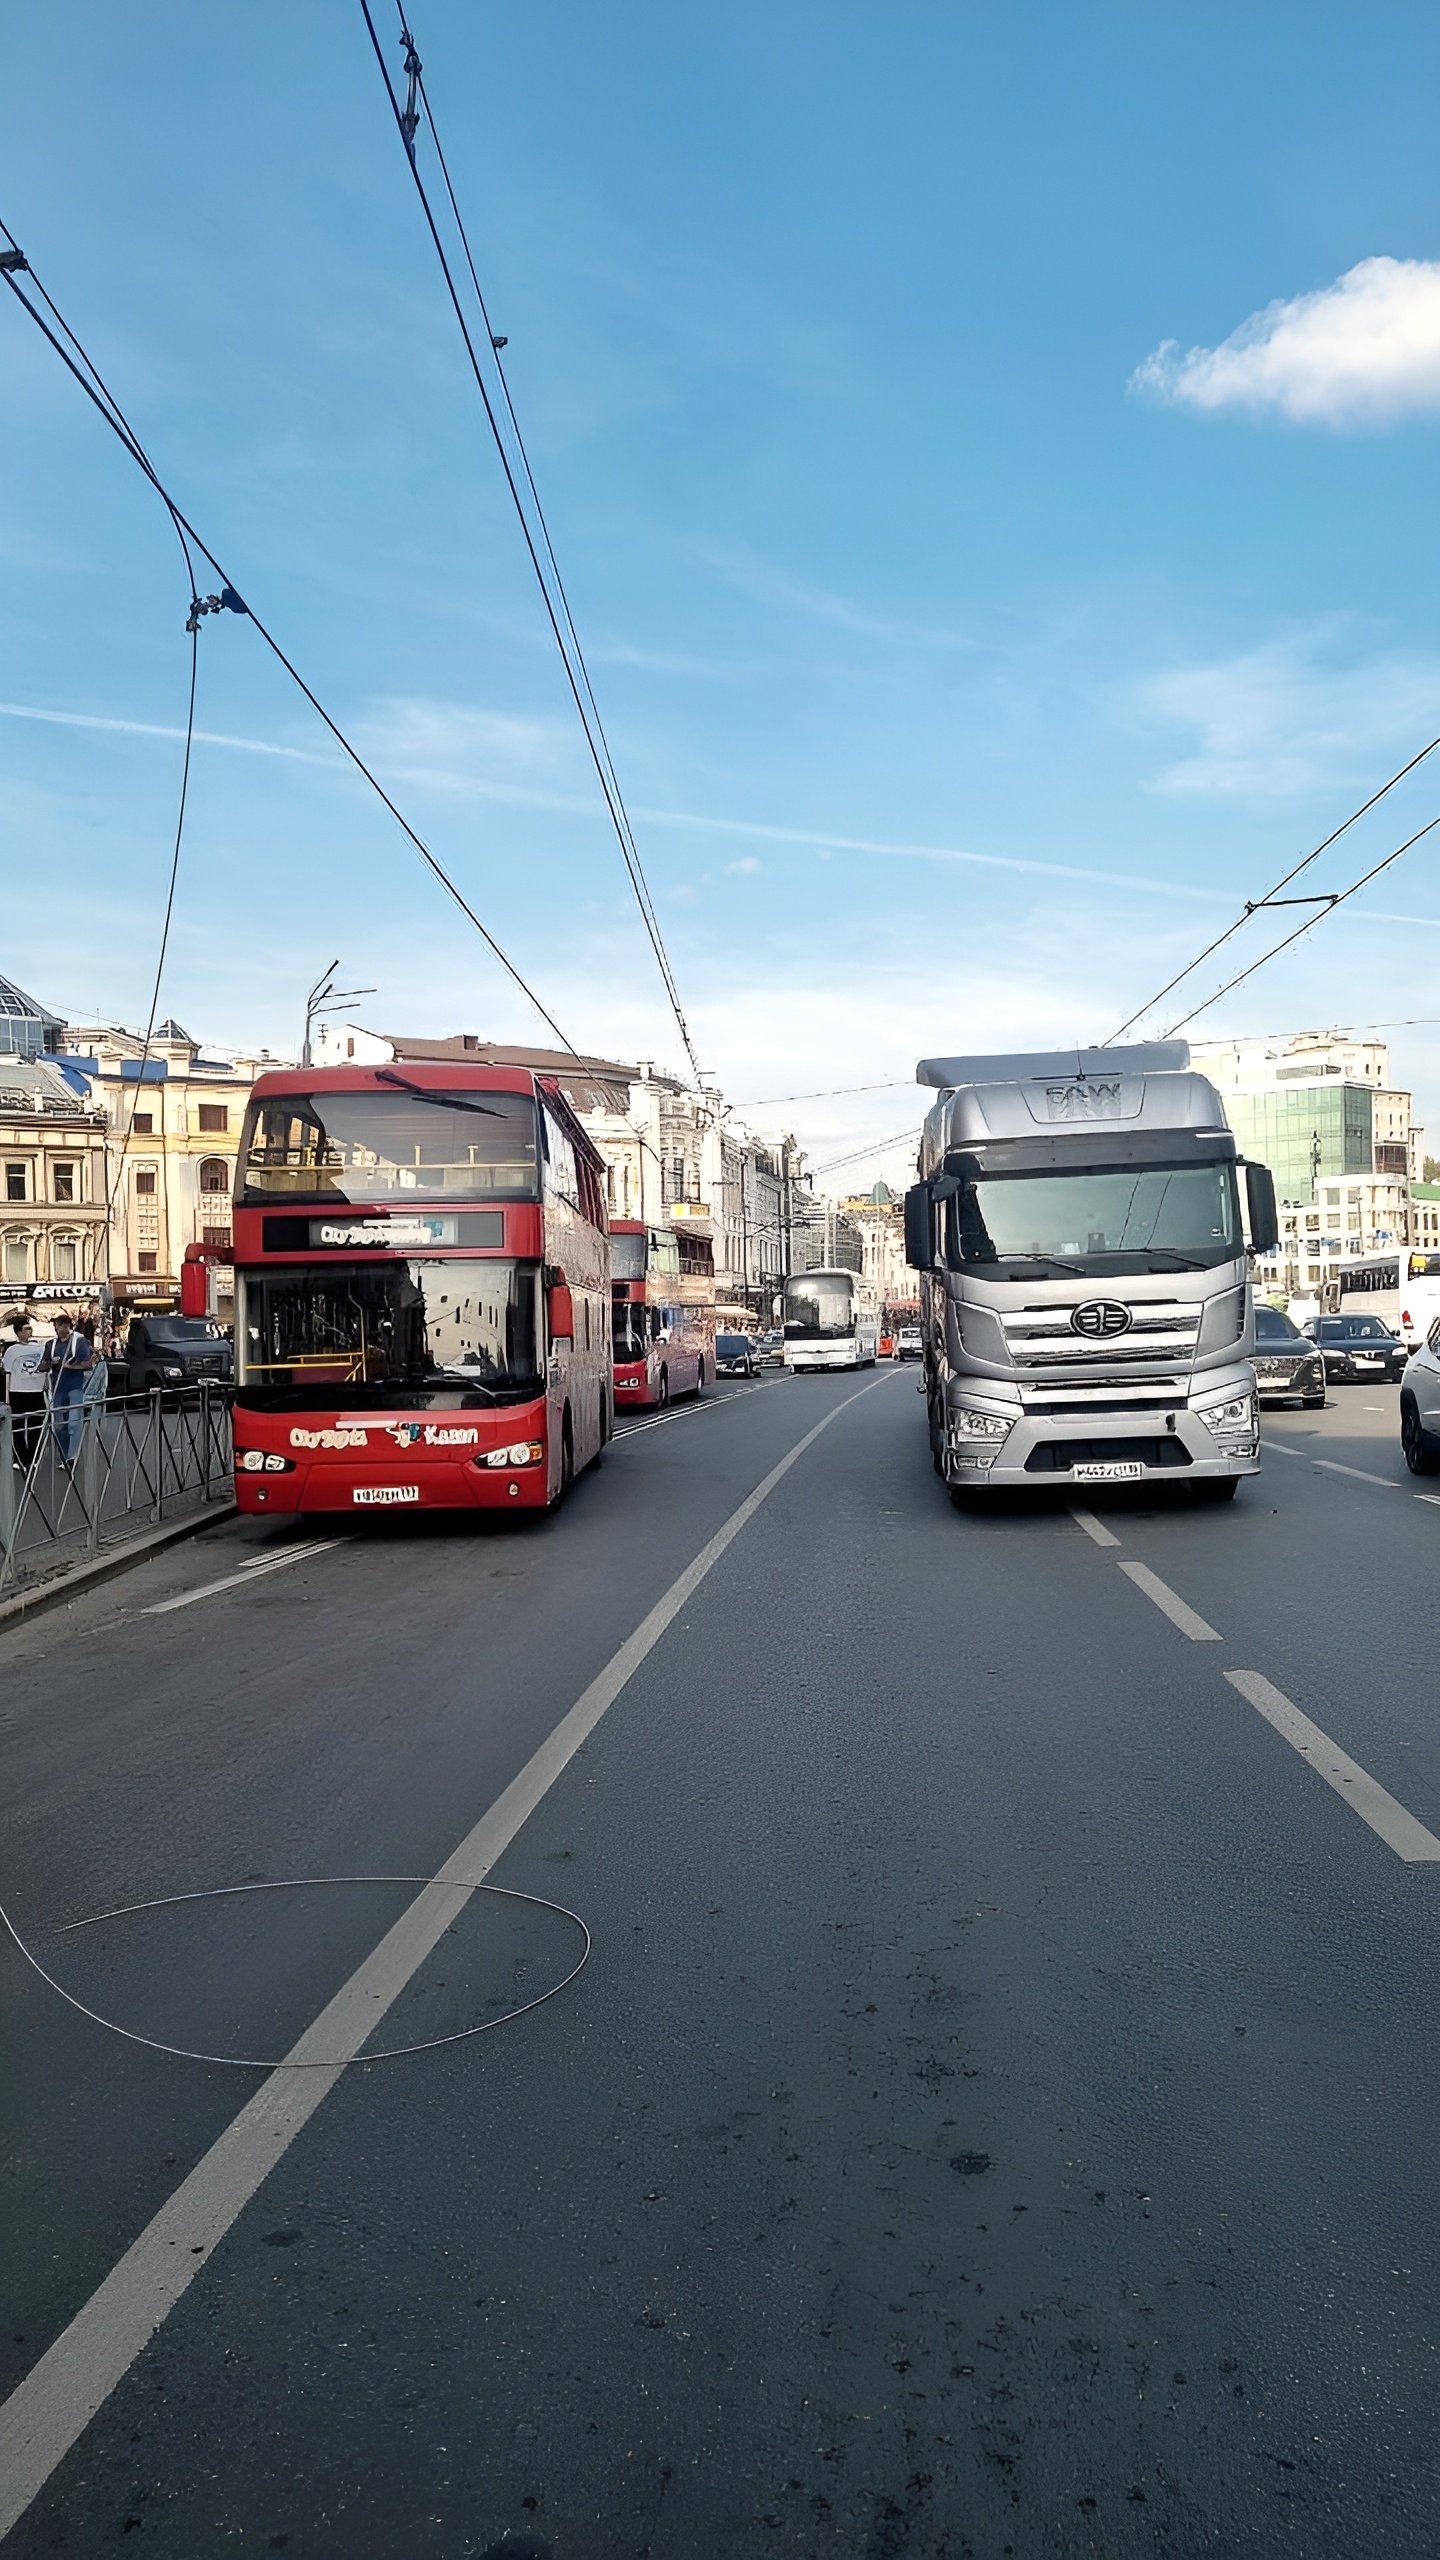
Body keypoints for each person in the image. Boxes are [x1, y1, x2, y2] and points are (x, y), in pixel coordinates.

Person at [40, 1312, 95, 1465]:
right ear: (55, 1327)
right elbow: (43, 1364)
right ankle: (64, 1455)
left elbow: (88, 1364)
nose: (63, 1329)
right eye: (60, 1326)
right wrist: (50, 1364)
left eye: (66, 1326)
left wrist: (71, 1366)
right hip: (57, 1389)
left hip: (74, 1387)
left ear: (69, 1326)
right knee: (58, 1425)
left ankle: (72, 1457)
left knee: (74, 1422)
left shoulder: (79, 1341)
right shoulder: (50, 1345)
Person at [3, 1318, 47, 1469]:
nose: (30, 1331)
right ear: (18, 1332)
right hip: (18, 1392)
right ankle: (20, 1458)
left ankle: (33, 1457)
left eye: (30, 1328)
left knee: (36, 1426)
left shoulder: (41, 1348)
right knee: (18, 1427)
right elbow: (7, 1371)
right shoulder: (12, 1351)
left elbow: (47, 1365)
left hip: (36, 1391)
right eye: (26, 1328)